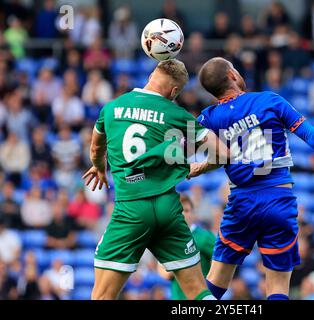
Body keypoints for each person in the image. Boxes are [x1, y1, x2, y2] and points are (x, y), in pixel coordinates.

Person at [189, 57, 314, 300]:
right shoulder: (269, 100)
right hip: (278, 198)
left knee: (215, 280)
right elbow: (312, 135)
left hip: (241, 203)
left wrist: (192, 168)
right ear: (233, 75)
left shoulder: (209, 117)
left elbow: (184, 148)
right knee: (277, 287)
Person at [82, 59, 228, 300]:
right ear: (174, 92)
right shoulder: (176, 114)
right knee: (198, 293)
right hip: (168, 207)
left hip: (131, 206)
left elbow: (96, 149)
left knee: (102, 295)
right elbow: (223, 153)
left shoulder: (111, 108)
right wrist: (198, 168)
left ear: (151, 76)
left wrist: (99, 168)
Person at [158, 194, 216, 300]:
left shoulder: (204, 237)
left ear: (193, 214)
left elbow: (220, 263)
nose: (183, 214)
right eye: (179, 211)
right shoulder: (167, 239)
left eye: (187, 210)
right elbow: (163, 273)